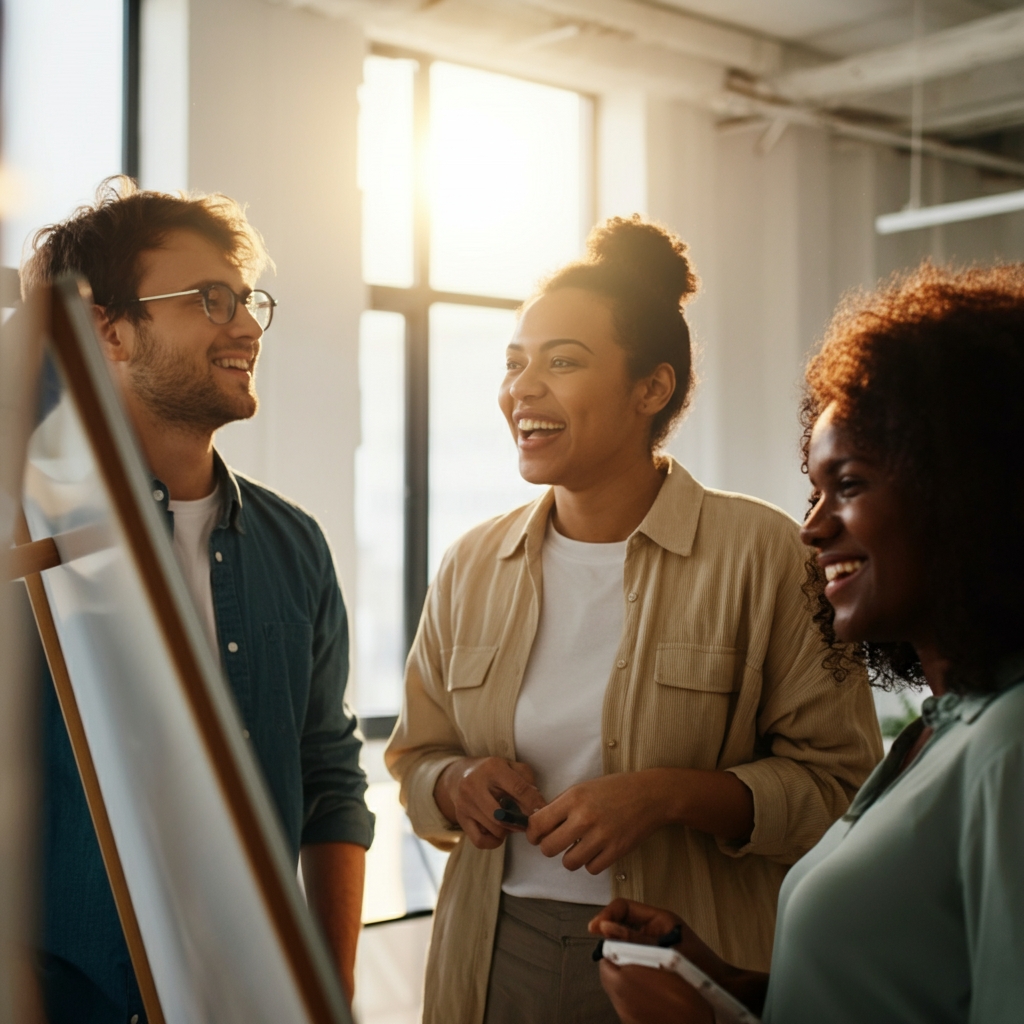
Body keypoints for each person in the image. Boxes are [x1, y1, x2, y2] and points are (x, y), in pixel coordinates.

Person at [385, 216, 882, 1024]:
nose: (524, 389)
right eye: (514, 364)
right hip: (491, 952)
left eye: (563, 362)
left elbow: (839, 789)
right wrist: (454, 783)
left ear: (651, 388)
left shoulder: (766, 556)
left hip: (680, 958)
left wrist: (667, 796)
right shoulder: (471, 563)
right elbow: (414, 761)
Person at [592, 261, 1024, 1024]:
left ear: (971, 488)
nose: (813, 526)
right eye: (815, 488)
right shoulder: (940, 728)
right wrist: (729, 983)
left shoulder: (1009, 748)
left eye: (849, 485)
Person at [23, 177, 374, 1023]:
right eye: (211, 299)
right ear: (108, 329)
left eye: (248, 299)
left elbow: (329, 778)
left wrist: (327, 989)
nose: (247, 325)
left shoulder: (295, 547)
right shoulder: (25, 546)